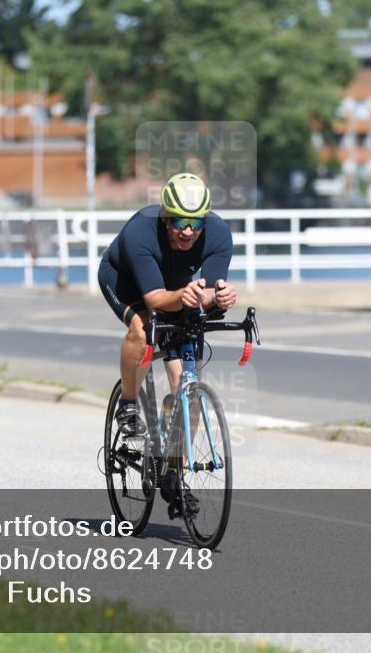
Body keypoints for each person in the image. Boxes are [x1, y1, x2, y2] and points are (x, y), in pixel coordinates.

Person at [98, 172, 237, 512]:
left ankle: (173, 471)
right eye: (179, 222)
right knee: (143, 327)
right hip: (127, 282)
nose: (188, 231)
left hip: (177, 289)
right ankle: (128, 403)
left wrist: (220, 298)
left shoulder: (219, 234)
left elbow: (206, 296)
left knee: (187, 386)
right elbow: (156, 300)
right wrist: (187, 296)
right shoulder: (141, 231)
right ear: (164, 216)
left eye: (196, 223)